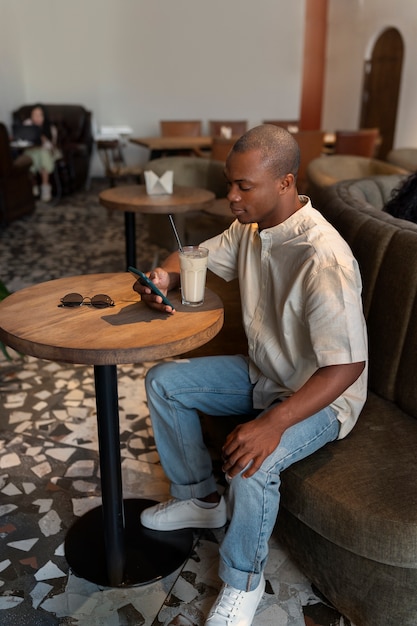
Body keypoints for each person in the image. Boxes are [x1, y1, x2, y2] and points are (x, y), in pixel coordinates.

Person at [133, 124, 368, 626]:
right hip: (265, 371)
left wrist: (273, 422)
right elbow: (193, 255)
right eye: (229, 183)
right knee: (163, 383)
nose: (232, 197)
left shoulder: (323, 257)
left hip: (321, 396)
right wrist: (164, 276)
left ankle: (244, 581)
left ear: (285, 182)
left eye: (245, 186)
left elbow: (348, 365)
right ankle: (199, 498)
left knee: (252, 461)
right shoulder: (250, 229)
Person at [23, 104, 58, 202]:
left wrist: (43, 139)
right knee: (31, 156)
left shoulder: (51, 128)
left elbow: (51, 147)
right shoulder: (27, 125)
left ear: (44, 116)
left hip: (45, 151)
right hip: (31, 150)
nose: (37, 118)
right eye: (34, 115)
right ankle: (33, 186)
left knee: (43, 155)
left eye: (39, 115)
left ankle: (45, 187)